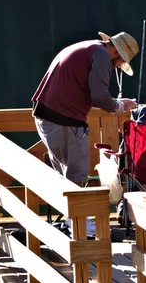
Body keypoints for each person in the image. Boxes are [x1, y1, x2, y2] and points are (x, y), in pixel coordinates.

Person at [32, 30, 139, 236]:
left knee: (64, 174)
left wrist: (117, 104)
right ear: (117, 52)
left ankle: (72, 220)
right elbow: (99, 96)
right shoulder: (101, 56)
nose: (117, 66)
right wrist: (119, 107)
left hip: (47, 115)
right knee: (76, 173)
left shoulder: (88, 47)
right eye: (120, 61)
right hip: (64, 119)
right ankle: (78, 223)